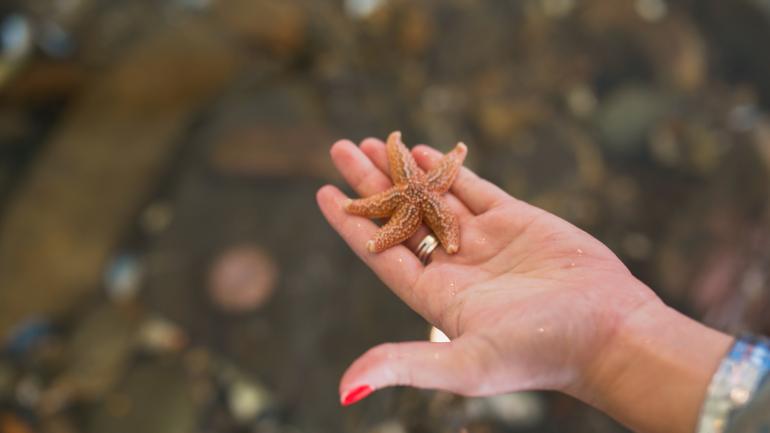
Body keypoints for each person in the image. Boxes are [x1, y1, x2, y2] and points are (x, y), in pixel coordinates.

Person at [316, 137, 770, 433]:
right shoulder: (423, 191)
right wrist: (612, 346)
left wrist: (609, 348)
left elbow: (433, 207)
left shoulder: (426, 194)